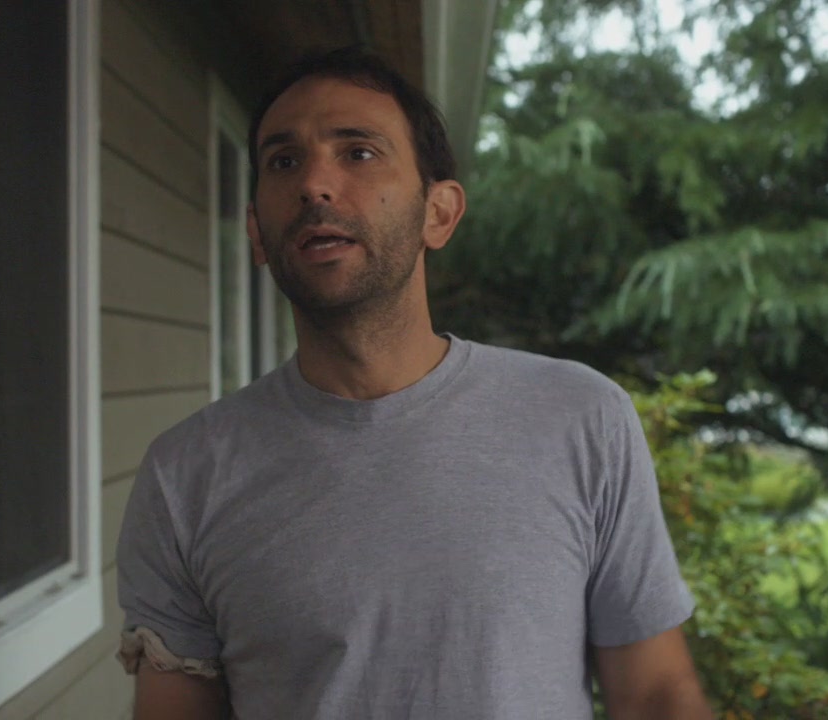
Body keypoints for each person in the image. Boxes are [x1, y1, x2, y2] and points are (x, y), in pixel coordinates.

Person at [115, 46, 713, 720]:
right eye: (283, 161)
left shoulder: (579, 418)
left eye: (359, 152)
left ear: (440, 213)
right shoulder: (185, 475)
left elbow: (656, 695)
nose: (315, 184)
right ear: (257, 231)